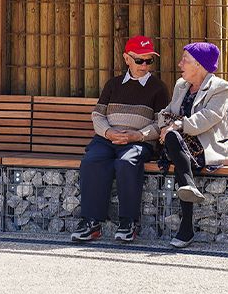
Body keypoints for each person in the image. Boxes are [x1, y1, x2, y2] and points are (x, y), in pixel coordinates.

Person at [71, 35, 170, 243]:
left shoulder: (158, 88)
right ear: (127, 59)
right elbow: (98, 115)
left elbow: (161, 123)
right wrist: (107, 133)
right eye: (139, 60)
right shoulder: (113, 84)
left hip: (138, 140)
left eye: (149, 60)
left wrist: (138, 135)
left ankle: (128, 223)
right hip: (108, 138)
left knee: (126, 162)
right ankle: (91, 222)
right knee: (92, 160)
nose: (144, 65)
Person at [156, 41, 228, 248]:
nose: (180, 63)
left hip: (207, 146)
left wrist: (176, 125)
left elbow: (208, 117)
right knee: (175, 142)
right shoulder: (180, 85)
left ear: (200, 65)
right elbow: (165, 112)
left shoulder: (220, 87)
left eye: (185, 60)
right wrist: (168, 126)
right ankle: (188, 188)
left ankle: (187, 226)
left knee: (175, 142)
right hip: (181, 144)